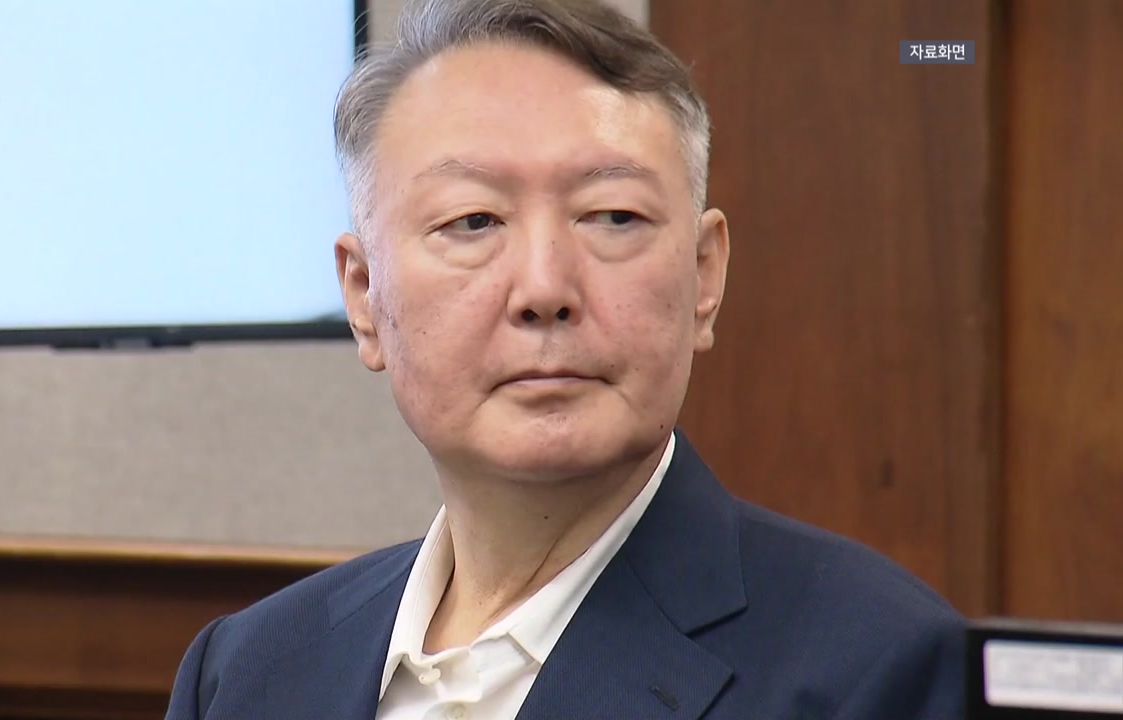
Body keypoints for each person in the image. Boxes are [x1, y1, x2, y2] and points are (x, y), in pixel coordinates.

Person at [164, 0, 966, 718]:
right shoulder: (247, 672)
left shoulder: (880, 669)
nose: (545, 288)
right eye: (473, 222)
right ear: (364, 295)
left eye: (612, 216)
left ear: (704, 277)